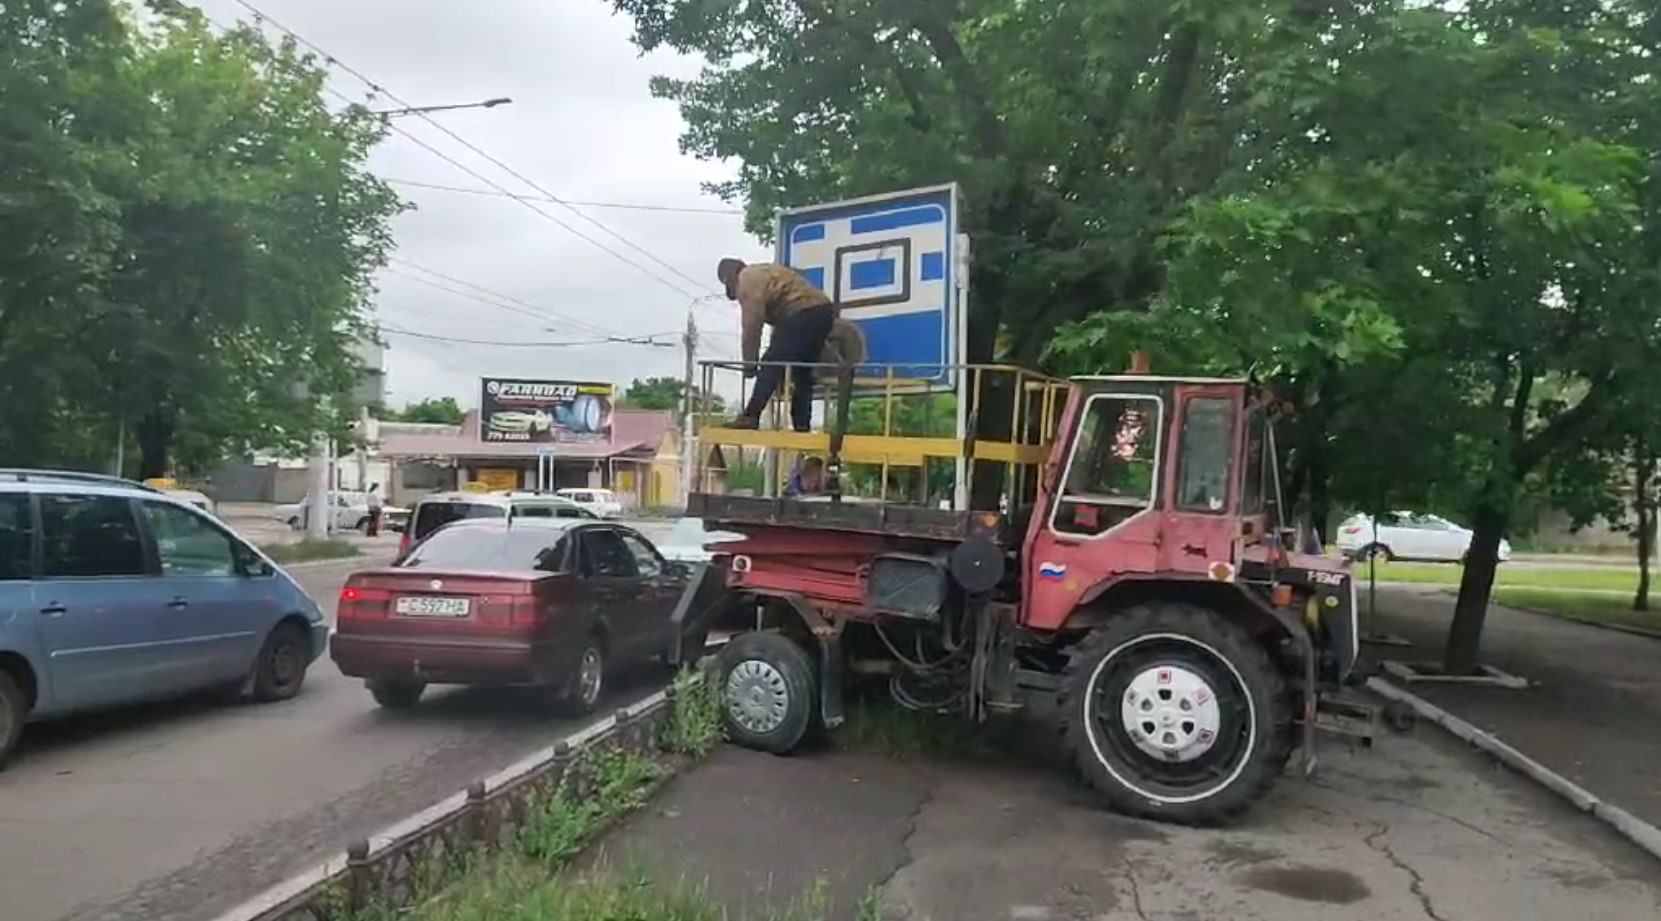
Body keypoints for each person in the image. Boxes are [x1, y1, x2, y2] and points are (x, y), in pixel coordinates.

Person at [718, 257, 835, 432]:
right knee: (802, 372)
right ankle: (802, 426)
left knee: (771, 364)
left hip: (800, 311)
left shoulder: (746, 280)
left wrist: (750, 363)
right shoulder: (763, 271)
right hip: (823, 311)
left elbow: (752, 325)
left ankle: (751, 416)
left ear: (730, 280)